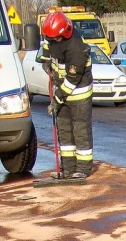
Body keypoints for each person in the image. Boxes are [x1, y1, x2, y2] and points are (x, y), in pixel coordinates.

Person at [39, 11, 94, 179]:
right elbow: (46, 47)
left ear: (64, 33)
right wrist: (46, 61)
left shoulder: (77, 48)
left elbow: (72, 79)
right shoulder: (52, 36)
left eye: (55, 38)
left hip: (78, 93)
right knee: (64, 132)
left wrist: (57, 99)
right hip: (61, 89)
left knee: (80, 131)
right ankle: (67, 168)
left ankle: (83, 169)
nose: (52, 40)